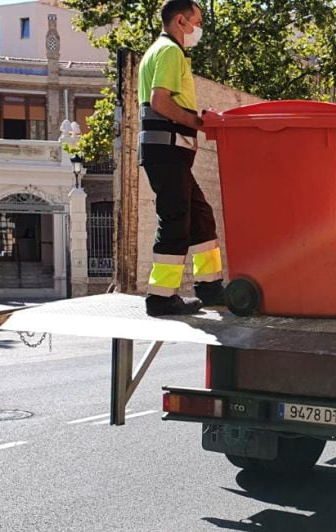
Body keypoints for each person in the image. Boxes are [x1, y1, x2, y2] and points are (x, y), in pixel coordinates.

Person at [137, 0, 225, 316]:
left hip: (168, 152)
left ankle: (210, 288)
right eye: (197, 22)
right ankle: (161, 298)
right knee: (176, 220)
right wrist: (199, 122)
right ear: (180, 21)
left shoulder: (162, 51)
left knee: (200, 215)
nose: (199, 29)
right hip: (167, 151)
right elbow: (161, 101)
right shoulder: (170, 52)